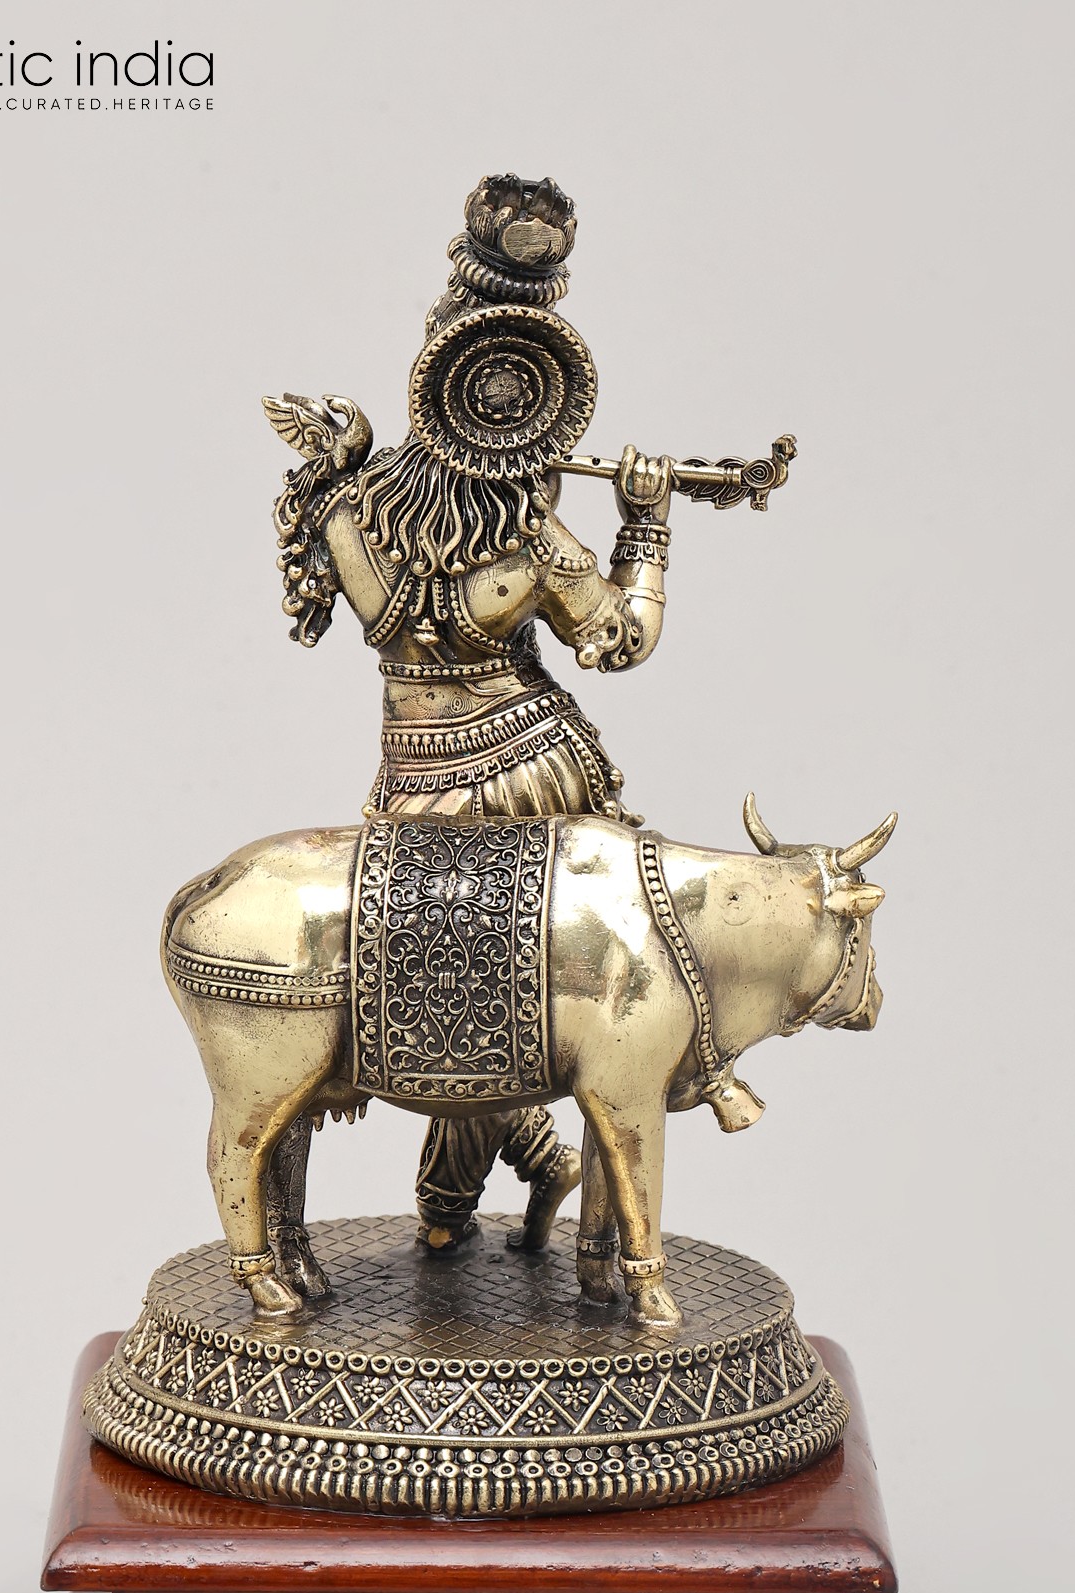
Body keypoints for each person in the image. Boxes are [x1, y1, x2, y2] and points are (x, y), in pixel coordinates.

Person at [266, 173, 675, 1259]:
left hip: (416, 783)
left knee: (459, 984)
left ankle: (463, 1199)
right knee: (526, 991)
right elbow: (620, 640)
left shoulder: (357, 503)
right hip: (536, 772)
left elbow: (369, 609)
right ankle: (513, 1169)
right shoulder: (535, 536)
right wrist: (645, 528)